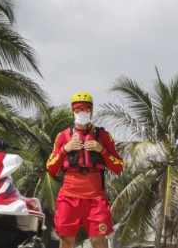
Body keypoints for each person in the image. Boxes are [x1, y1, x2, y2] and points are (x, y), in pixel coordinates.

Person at [46, 92, 125, 248]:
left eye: (86, 109)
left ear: (91, 111)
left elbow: (119, 167)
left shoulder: (102, 135)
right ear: (72, 111)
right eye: (78, 109)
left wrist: (101, 150)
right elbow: (51, 168)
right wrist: (64, 150)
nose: (82, 112)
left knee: (98, 241)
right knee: (66, 241)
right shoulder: (63, 136)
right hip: (69, 196)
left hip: (95, 198)